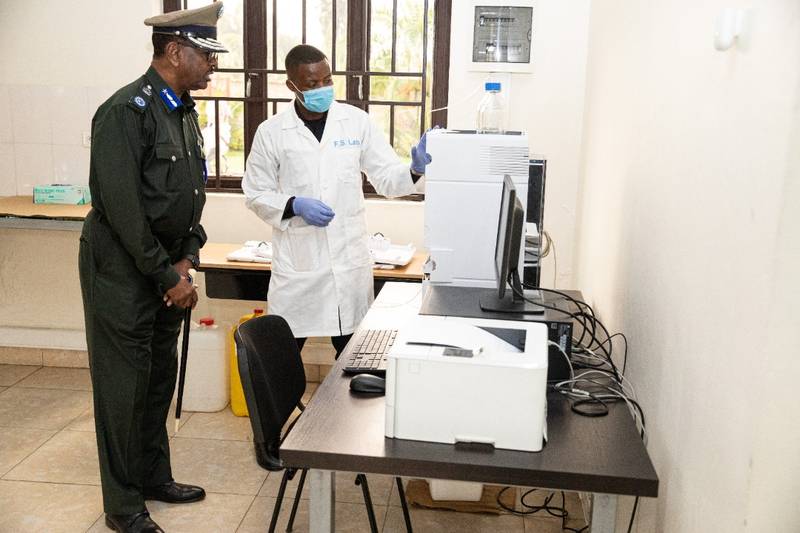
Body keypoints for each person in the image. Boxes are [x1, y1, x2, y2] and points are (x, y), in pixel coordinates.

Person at [78, 4, 228, 532]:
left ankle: (152, 476)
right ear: (175, 51)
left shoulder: (181, 111)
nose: (212, 65)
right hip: (123, 270)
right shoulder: (126, 111)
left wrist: (187, 259)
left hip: (165, 268)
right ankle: (123, 506)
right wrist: (168, 276)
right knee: (124, 388)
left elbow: (189, 196)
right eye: (206, 55)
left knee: (158, 378)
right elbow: (123, 211)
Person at [242, 44, 432, 357]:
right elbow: (256, 192)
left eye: (327, 80)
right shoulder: (272, 132)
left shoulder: (356, 122)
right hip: (300, 269)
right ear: (291, 85)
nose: (323, 88)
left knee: (356, 357)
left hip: (348, 268)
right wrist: (293, 205)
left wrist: (414, 169)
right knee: (282, 357)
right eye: (312, 83)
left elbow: (386, 178)